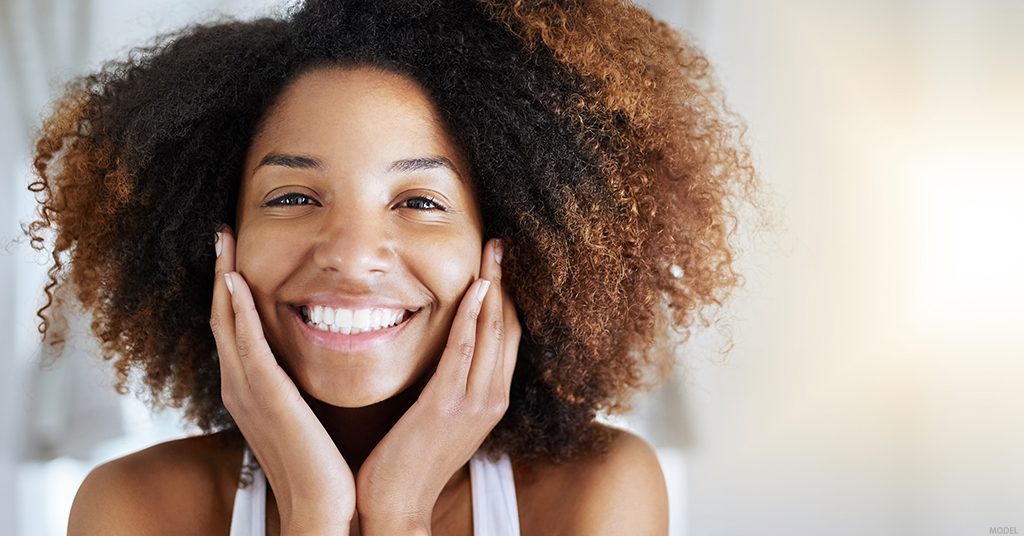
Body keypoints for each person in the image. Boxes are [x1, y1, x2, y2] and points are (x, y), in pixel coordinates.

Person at [28, 0, 757, 534]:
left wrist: (400, 512)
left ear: (510, 246)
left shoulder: (595, 493)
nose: (349, 255)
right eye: (292, 195)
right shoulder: (135, 508)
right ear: (212, 238)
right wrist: (315, 515)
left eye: (418, 200)